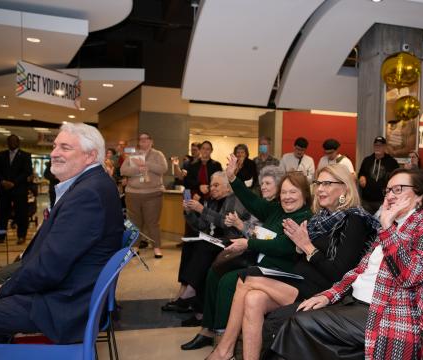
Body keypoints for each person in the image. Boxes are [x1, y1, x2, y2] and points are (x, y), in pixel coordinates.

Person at [270, 168, 423, 359]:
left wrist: (388, 227)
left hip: (393, 313)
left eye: (398, 189)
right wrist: (328, 296)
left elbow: (410, 277)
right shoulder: (392, 227)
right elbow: (360, 270)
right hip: (357, 302)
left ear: (419, 196)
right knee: (292, 321)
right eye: (388, 190)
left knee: (297, 324)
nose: (390, 195)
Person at [206, 164, 379, 360]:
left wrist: (306, 247)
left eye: (327, 184)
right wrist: (300, 248)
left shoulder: (353, 220)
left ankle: (224, 350)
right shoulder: (321, 217)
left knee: (246, 278)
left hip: (323, 290)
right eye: (319, 183)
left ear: (345, 188)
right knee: (253, 299)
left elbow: (340, 274)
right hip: (301, 279)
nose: (320, 189)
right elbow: (302, 254)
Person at [0, 122, 123, 344]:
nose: (54, 153)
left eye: (65, 147)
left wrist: (3, 290)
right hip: (65, 290)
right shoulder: (93, 183)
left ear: (90, 156)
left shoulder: (88, 194)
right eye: (55, 146)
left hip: (62, 304)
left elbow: (49, 268)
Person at [181, 155, 313, 351]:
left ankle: (223, 338)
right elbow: (252, 201)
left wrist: (249, 243)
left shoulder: (304, 217)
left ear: (304, 194)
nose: (287, 197)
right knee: (215, 272)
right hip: (262, 261)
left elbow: (282, 247)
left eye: (293, 192)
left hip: (281, 268)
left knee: (228, 281)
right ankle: (208, 329)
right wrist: (232, 178)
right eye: (284, 192)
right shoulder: (278, 209)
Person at [163, 171, 252, 320]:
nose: (213, 188)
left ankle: (189, 296)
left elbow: (226, 222)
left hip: (231, 241)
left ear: (228, 187)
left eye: (216, 185)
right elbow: (200, 225)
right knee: (189, 244)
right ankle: (186, 290)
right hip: (214, 240)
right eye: (211, 185)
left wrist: (201, 209)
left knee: (204, 247)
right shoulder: (212, 201)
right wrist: (190, 212)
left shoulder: (235, 199)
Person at [120, 133, 168, 258]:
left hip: (153, 193)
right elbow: (123, 170)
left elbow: (163, 168)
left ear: (151, 141)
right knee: (134, 222)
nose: (143, 141)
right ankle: (135, 246)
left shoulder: (158, 154)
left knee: (152, 222)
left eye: (146, 139)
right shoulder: (133, 155)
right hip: (132, 193)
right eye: (141, 139)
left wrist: (147, 165)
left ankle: (156, 247)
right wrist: (137, 169)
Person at [0, 134, 33, 245]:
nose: (12, 143)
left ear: (18, 143)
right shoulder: (0, 155)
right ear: (7, 143)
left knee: (21, 214)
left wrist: (13, 183)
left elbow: (27, 172)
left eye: (14, 141)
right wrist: (2, 181)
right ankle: (0, 236)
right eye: (10, 141)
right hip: (3, 189)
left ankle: (21, 236)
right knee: (1, 214)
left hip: (19, 190)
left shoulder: (25, 156)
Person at [357, 136, 399, 215]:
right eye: (376, 145)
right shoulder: (367, 160)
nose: (378, 147)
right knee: (366, 224)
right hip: (367, 201)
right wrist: (361, 177)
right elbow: (361, 173)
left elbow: (397, 178)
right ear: (373, 146)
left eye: (380, 145)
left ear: (385, 147)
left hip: (384, 201)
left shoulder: (392, 162)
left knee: (382, 224)